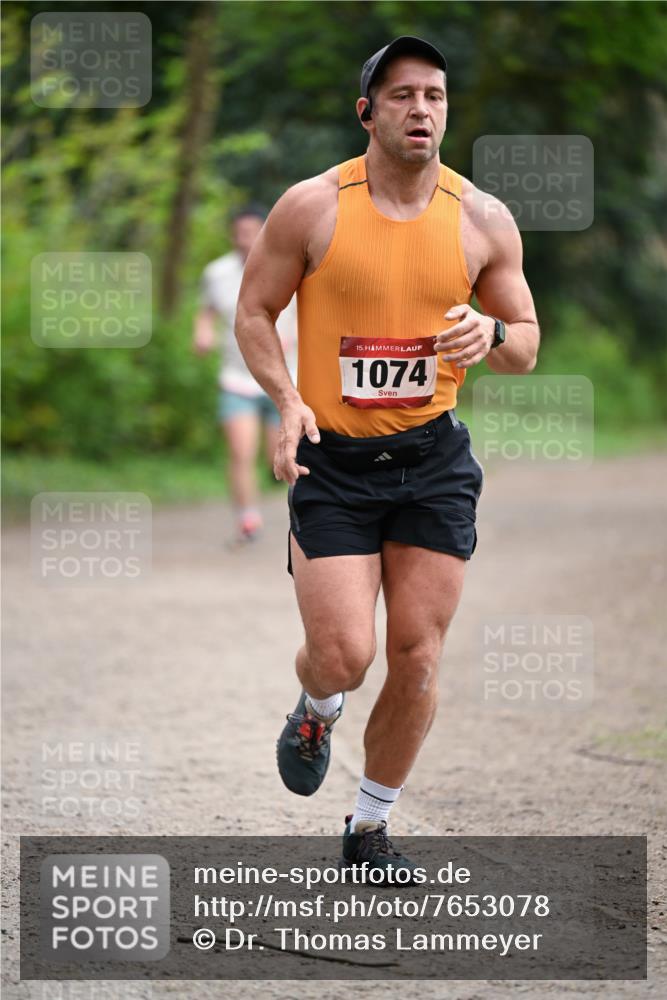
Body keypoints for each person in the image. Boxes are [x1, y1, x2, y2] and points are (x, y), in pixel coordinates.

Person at [236, 37, 539, 879]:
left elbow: (525, 344)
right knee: (344, 655)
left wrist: (493, 331)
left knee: (418, 655)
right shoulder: (312, 207)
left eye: (434, 95)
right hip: (332, 461)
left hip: (431, 461)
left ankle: (368, 826)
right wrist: (288, 401)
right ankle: (316, 705)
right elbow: (254, 313)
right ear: (367, 113)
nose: (421, 109)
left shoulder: (481, 217)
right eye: (402, 95)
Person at [194, 204, 297, 543]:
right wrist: (203, 332)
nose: (245, 240)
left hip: (282, 378)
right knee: (240, 452)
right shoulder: (217, 273)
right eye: (240, 234)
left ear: (266, 231)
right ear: (231, 236)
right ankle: (248, 520)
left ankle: (303, 515)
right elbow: (207, 311)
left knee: (275, 456)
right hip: (236, 378)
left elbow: (309, 312)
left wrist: (293, 337)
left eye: (252, 232)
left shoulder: (288, 263)